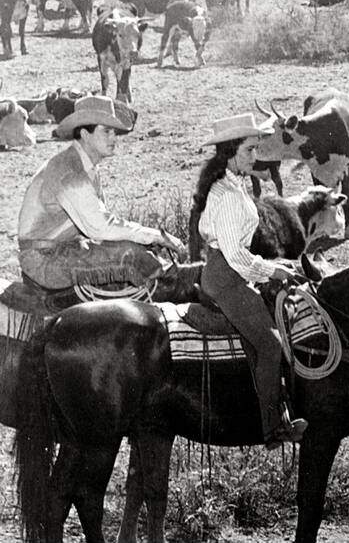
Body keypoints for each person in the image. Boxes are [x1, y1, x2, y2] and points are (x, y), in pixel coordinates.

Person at [193, 112, 308, 447]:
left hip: (229, 272)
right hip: (225, 276)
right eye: (249, 150)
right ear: (231, 152)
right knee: (271, 346)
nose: (255, 157)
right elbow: (236, 256)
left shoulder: (232, 184)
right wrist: (272, 270)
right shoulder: (227, 194)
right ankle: (272, 428)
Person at [17, 94, 188, 297]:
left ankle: (172, 286)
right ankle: (178, 289)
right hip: (43, 260)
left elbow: (101, 225)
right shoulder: (69, 170)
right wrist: (153, 235)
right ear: (85, 134)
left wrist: (145, 238)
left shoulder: (85, 166)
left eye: (114, 132)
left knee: (132, 249)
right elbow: (100, 227)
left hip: (63, 250)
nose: (114, 138)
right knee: (131, 257)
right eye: (106, 131)